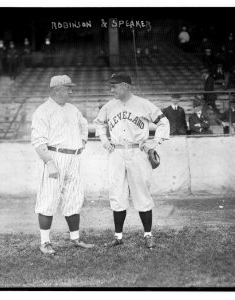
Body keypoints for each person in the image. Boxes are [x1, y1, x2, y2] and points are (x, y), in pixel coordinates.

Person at [93, 73, 170, 249]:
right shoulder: (109, 106)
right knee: (117, 193)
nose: (111, 89)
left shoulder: (143, 104)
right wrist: (104, 141)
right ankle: (118, 236)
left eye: (114, 86)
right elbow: (98, 123)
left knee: (142, 193)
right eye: (110, 86)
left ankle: (148, 234)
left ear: (126, 86)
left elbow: (164, 122)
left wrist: (154, 142)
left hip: (138, 151)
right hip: (117, 152)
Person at [31, 75, 94, 255]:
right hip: (55, 157)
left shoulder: (72, 109)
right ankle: (45, 242)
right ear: (57, 90)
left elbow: (84, 126)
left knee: (74, 198)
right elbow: (37, 141)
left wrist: (82, 142)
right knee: (48, 200)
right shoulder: (43, 111)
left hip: (73, 158)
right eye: (68, 88)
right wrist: (49, 162)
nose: (71, 91)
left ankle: (75, 238)